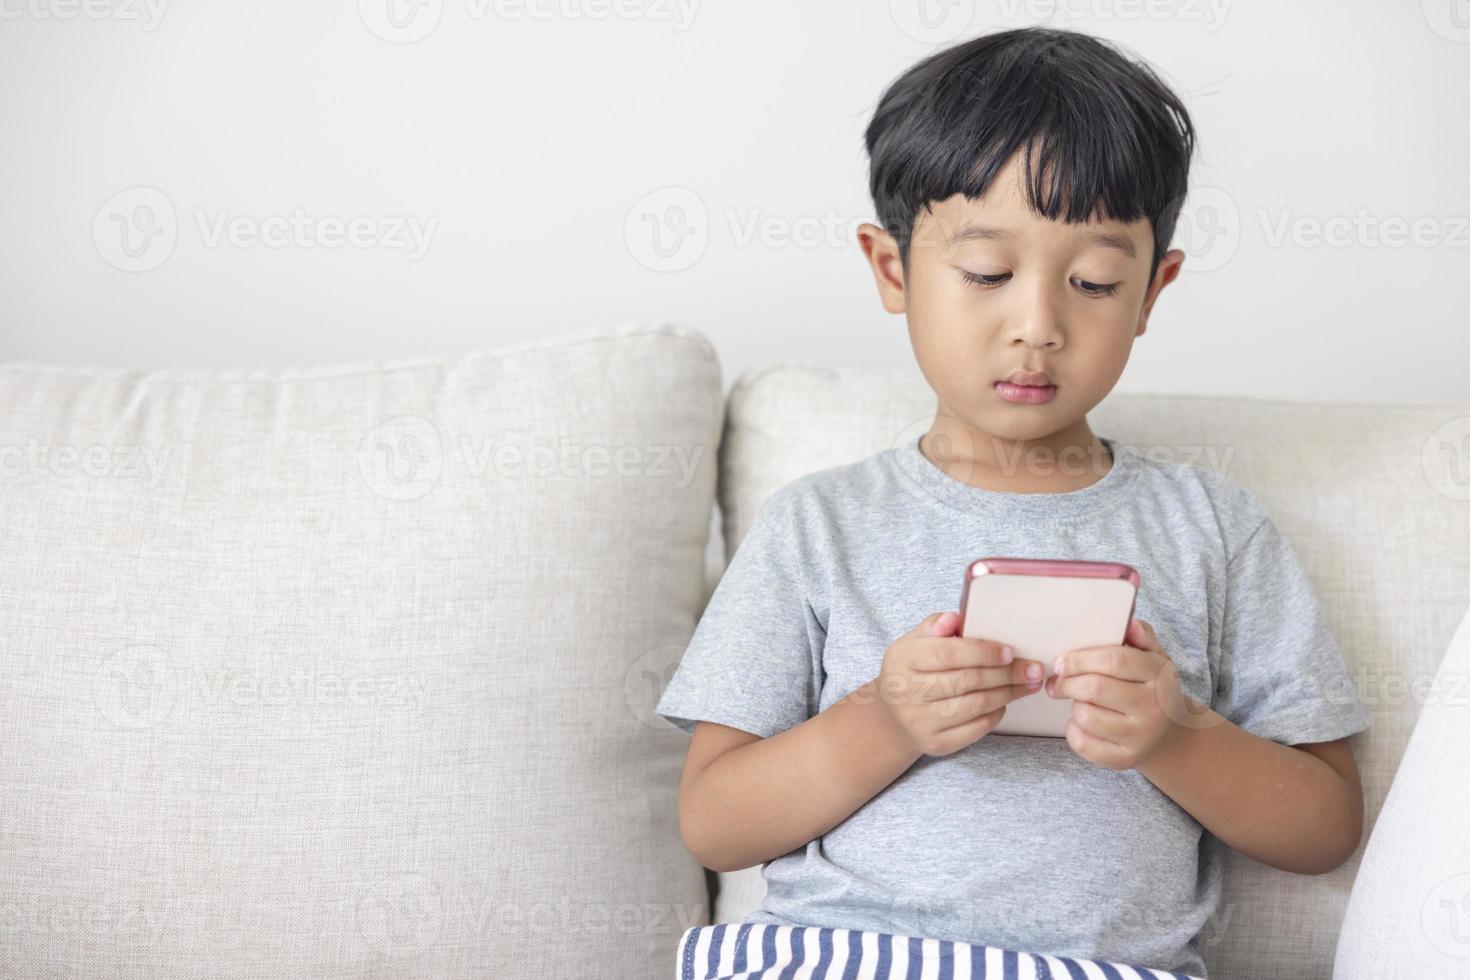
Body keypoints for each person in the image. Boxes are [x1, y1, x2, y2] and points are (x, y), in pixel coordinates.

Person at [656, 25, 1369, 977]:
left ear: (1153, 291)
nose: (1038, 326)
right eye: (988, 274)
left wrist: (1176, 735)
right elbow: (713, 822)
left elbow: (1324, 824)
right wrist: (884, 720)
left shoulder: (1213, 529)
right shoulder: (818, 526)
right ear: (891, 270)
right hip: (847, 956)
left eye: (1094, 282)